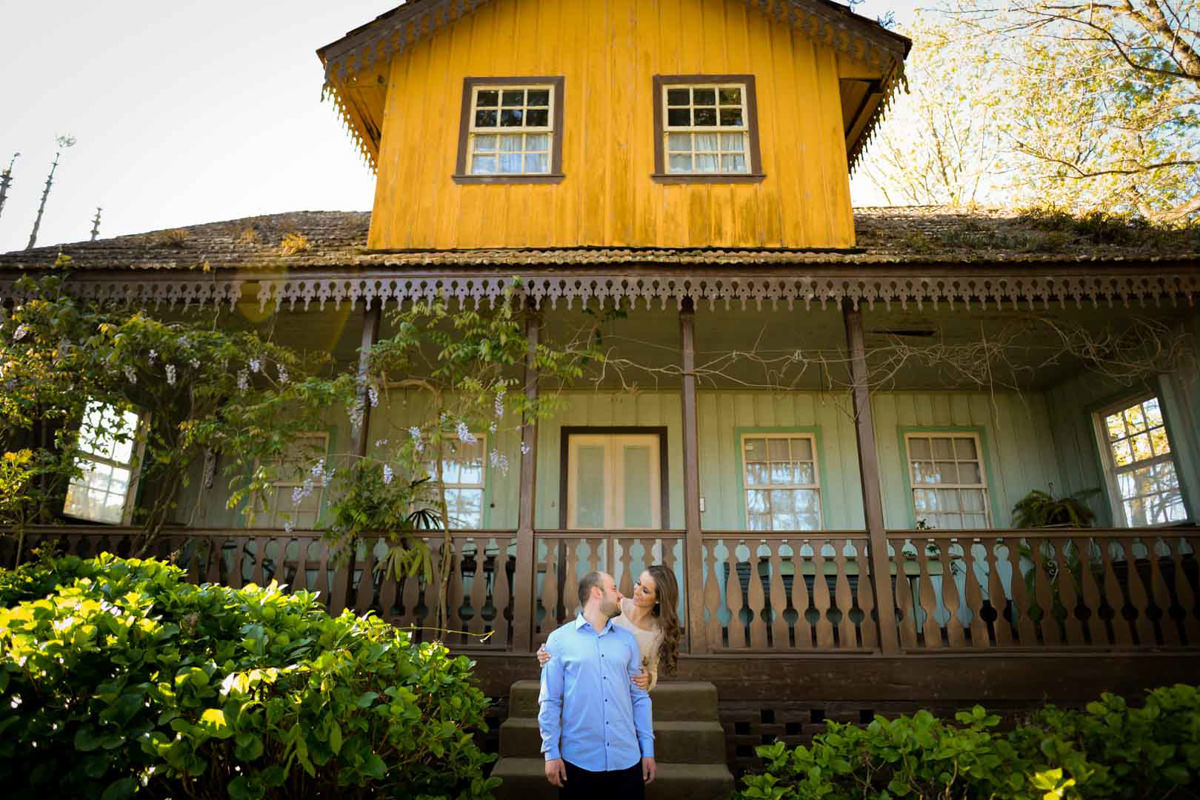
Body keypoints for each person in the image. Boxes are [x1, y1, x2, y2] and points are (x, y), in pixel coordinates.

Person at [538, 571, 656, 799]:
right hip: (578, 763)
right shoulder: (558, 640)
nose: (621, 594)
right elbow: (550, 700)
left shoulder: (627, 640)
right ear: (596, 592)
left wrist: (647, 751)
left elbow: (639, 698)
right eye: (614, 588)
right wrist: (551, 753)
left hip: (628, 762)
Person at [538, 564, 681, 692]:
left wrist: (648, 679)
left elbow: (651, 671)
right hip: (591, 686)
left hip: (626, 697)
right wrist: (552, 650)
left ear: (657, 599)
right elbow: (581, 634)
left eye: (645, 590)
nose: (636, 591)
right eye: (638, 583)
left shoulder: (657, 633)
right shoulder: (615, 607)